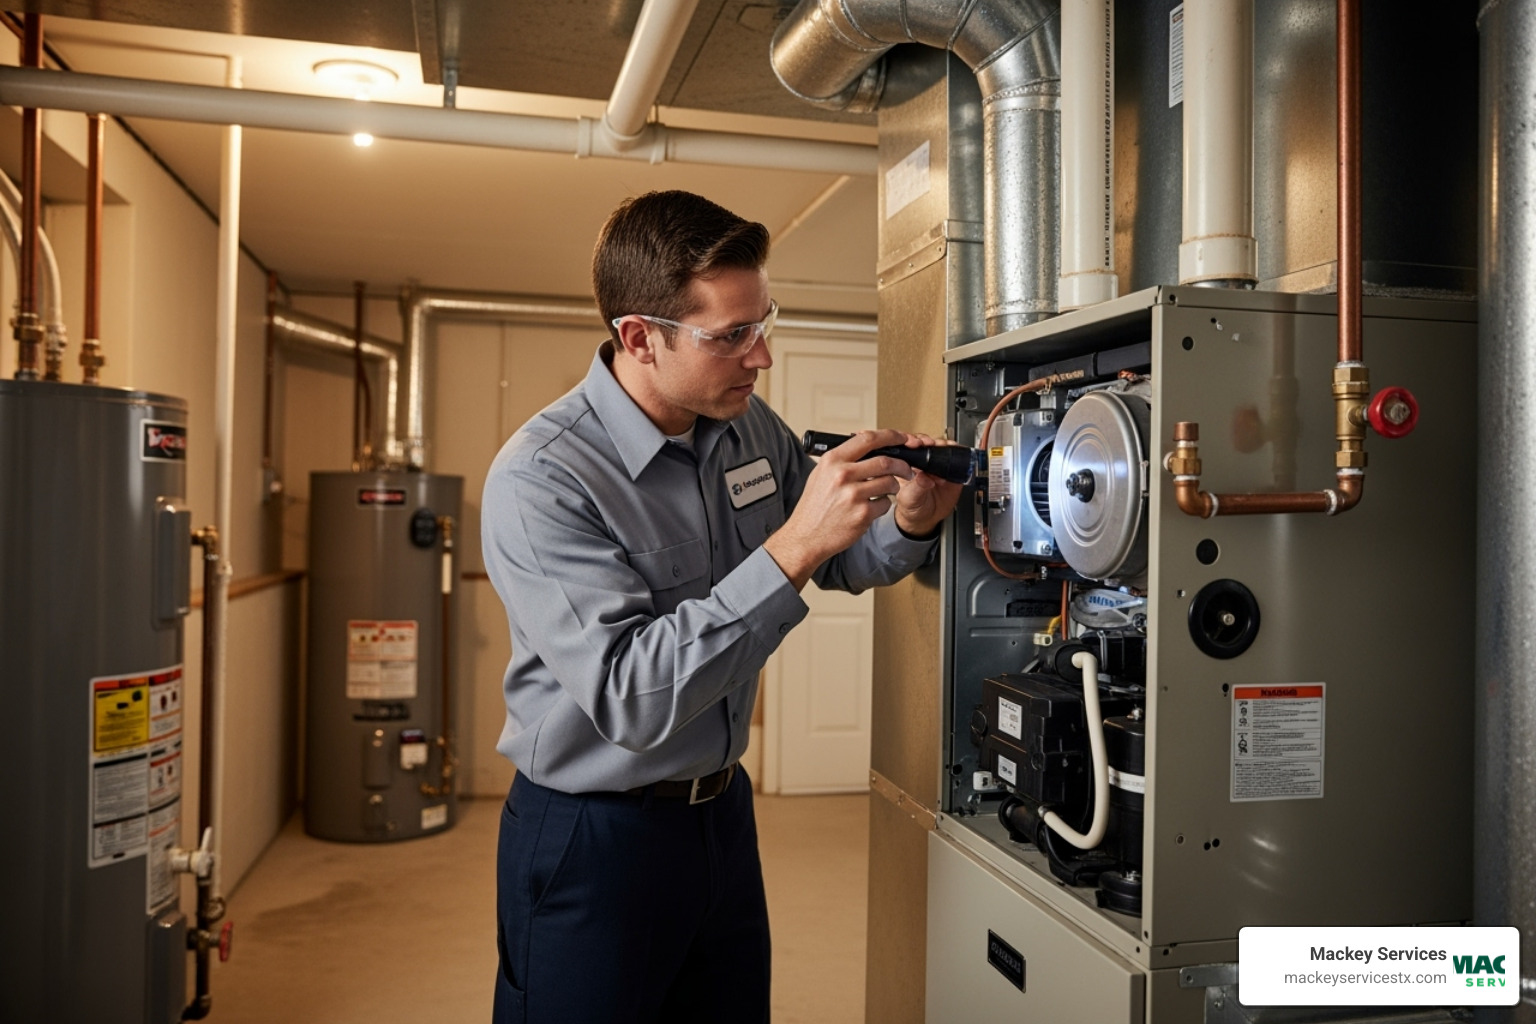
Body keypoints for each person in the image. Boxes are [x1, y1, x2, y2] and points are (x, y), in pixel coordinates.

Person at [481, 189, 962, 1023]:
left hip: (719, 820)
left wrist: (909, 525)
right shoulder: (542, 480)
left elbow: (838, 561)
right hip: (591, 838)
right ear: (640, 337)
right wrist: (793, 547)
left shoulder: (745, 430)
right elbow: (632, 696)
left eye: (763, 322)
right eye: (730, 335)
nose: (761, 356)